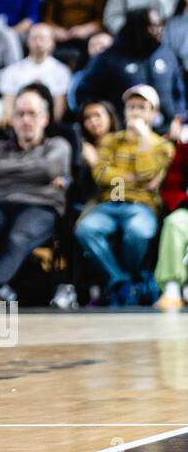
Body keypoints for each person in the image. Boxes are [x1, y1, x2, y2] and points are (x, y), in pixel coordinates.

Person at [0, 85, 71, 302]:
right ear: (13, 119)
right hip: (3, 206)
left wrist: (8, 173)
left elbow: (48, 168)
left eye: (32, 114)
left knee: (17, 237)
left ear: (45, 119)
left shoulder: (58, 145)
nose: (26, 120)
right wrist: (34, 170)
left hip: (42, 206)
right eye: (20, 114)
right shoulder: (0, 148)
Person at [75, 85, 174, 306]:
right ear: (124, 111)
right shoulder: (111, 141)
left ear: (153, 113)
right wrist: (131, 178)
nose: (136, 112)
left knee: (138, 232)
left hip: (142, 205)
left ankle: (132, 280)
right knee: (86, 229)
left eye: (142, 107)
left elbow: (149, 173)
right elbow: (101, 174)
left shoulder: (163, 146)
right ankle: (122, 281)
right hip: (111, 202)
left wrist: (143, 140)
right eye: (131, 107)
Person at [74, 8, 185, 135]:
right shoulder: (109, 58)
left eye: (161, 25)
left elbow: (179, 92)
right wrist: (108, 122)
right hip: (122, 135)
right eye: (153, 26)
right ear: (137, 28)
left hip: (166, 134)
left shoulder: (167, 53)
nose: (159, 30)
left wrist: (178, 118)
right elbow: (84, 94)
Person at [0, 22, 72, 120]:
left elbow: (59, 106)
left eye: (42, 38)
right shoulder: (12, 70)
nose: (38, 42)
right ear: (27, 41)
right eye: (34, 38)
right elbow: (7, 104)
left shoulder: (62, 71)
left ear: (52, 42)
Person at [154, 136, 188, 311]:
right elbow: (171, 187)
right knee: (174, 223)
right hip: (186, 206)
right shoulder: (184, 149)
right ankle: (172, 287)